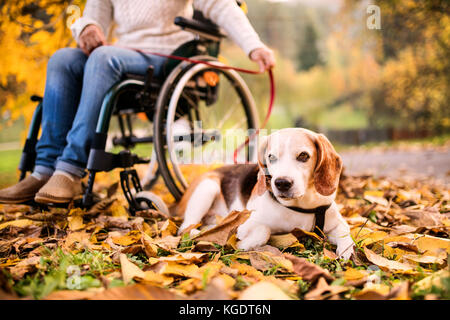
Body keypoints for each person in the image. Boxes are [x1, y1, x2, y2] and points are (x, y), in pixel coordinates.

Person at [0, 0, 275, 205]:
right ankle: (44, 170)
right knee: (63, 59)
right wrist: (88, 27)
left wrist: (254, 46)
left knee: (103, 58)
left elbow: (220, 5)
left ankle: (70, 169)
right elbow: (93, 16)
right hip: (121, 54)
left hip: (168, 57)